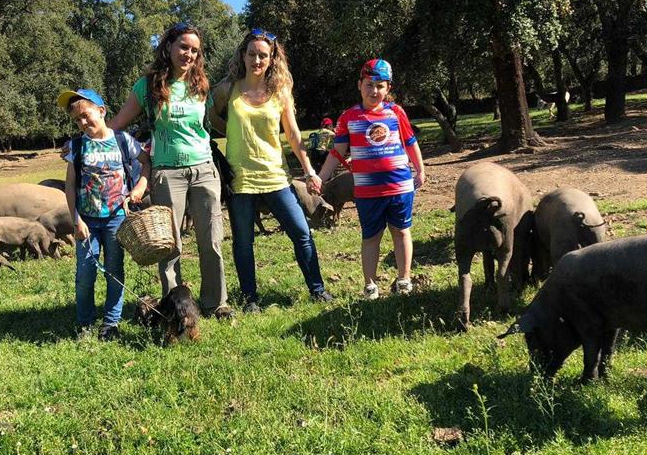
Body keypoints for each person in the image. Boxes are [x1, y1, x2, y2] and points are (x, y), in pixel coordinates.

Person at [107, 23, 233, 319]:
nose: (188, 54)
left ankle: (217, 303)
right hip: (166, 173)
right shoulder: (148, 86)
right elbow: (116, 124)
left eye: (194, 50)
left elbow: (213, 124)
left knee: (211, 240)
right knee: (170, 244)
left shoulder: (201, 85)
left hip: (204, 169)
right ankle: (175, 306)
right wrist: (82, 142)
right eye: (183, 47)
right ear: (169, 47)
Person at [209, 28, 333, 313]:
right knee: (243, 241)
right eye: (251, 54)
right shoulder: (227, 90)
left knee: (302, 232)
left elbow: (293, 134)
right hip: (240, 179)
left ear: (272, 58)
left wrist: (310, 170)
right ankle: (251, 298)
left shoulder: (280, 92)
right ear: (242, 55)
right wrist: (231, 131)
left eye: (262, 55)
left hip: (276, 176)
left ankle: (317, 289)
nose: (256, 60)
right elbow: (214, 119)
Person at [313, 59, 426, 300]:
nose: (374, 91)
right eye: (368, 84)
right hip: (366, 191)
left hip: (399, 186)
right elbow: (337, 152)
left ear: (388, 88)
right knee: (371, 237)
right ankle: (370, 286)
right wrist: (321, 177)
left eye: (380, 86)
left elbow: (410, 142)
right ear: (359, 85)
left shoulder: (396, 112)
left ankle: (404, 279)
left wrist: (420, 169)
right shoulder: (349, 117)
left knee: (401, 231)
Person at [58, 88, 151, 340]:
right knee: (85, 274)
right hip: (86, 221)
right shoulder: (77, 147)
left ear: (101, 111)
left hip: (116, 219)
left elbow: (146, 163)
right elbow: (69, 186)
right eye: (77, 120)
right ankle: (85, 323)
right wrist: (76, 219)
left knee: (114, 270)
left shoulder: (123, 141)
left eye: (87, 115)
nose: (83, 122)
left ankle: (111, 324)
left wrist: (140, 188)